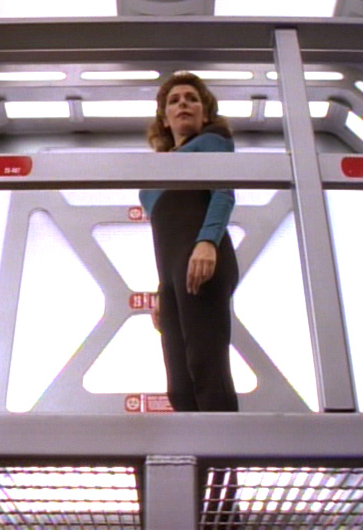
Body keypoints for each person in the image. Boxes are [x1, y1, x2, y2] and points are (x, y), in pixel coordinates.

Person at [140, 72, 239, 413]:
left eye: (191, 99)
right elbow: (164, 237)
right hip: (171, 275)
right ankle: (193, 449)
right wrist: (162, 289)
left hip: (204, 257)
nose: (183, 103)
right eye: (174, 101)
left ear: (205, 114)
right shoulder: (155, 175)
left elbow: (223, 194)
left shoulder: (212, 141)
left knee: (206, 368)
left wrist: (207, 242)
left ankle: (226, 449)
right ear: (164, 119)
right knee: (179, 386)